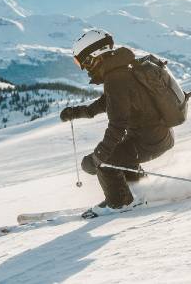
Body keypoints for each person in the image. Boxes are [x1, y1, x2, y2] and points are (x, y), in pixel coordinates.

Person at [60, 29, 175, 216]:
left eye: (82, 62)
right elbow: (108, 102)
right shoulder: (123, 70)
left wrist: (99, 157)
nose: (83, 68)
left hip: (149, 139)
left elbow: (117, 126)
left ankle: (120, 203)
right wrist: (78, 112)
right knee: (118, 155)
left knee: (107, 160)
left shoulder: (116, 79)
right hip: (155, 135)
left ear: (93, 57)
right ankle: (140, 192)